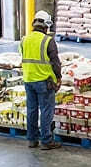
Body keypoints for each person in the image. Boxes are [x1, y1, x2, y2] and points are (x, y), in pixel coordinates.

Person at [20, 10, 63, 150]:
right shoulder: (47, 41)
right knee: (46, 111)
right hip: (44, 81)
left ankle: (32, 140)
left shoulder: (24, 40)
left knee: (31, 110)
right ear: (46, 26)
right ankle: (46, 140)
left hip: (28, 79)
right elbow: (55, 62)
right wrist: (58, 77)